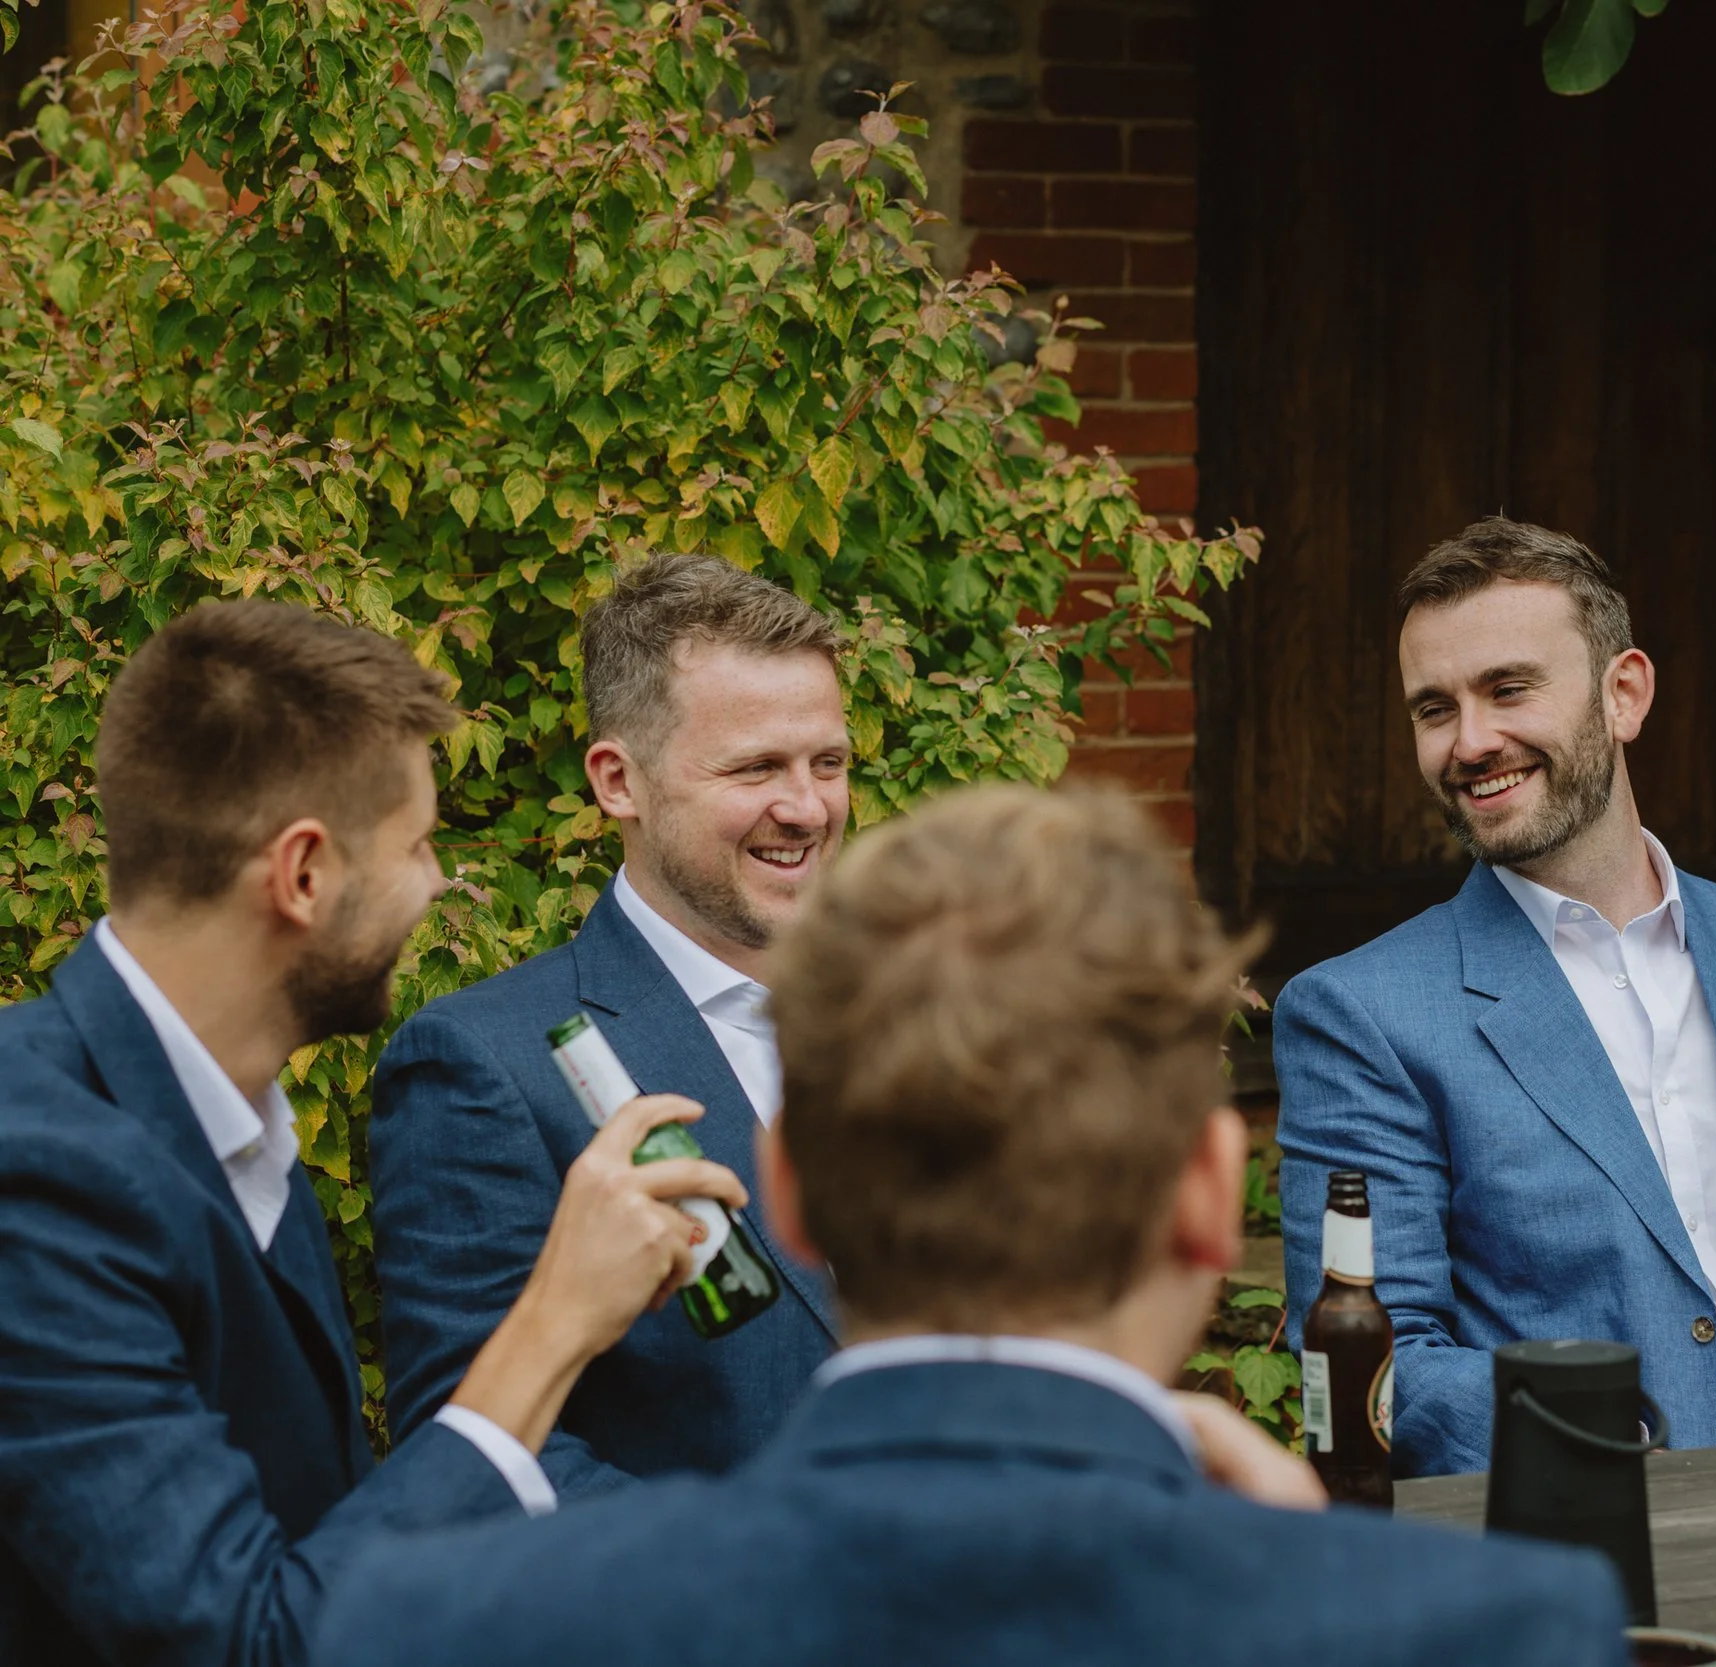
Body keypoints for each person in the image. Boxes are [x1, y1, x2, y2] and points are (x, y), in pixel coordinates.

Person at [312, 785, 1629, 1667]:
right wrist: (1320, 1572)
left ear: (787, 1190)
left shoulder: (457, 1619)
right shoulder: (1500, 1632)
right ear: (1207, 1196)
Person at [0, 601, 752, 1667]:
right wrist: (555, 1319)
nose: (438, 882)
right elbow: (240, 1640)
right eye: (417, 844)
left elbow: (320, 1539)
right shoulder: (33, 1163)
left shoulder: (238, 1129)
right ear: (304, 874)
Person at [1275, 517, 1716, 1478]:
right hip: (1584, 1508)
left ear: (1624, 694)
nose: (1470, 742)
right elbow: (1376, 1359)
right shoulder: (1361, 1014)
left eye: (1508, 689)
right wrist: (1607, 1438)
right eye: (1434, 708)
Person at [370, 554, 847, 1494]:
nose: (806, 807)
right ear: (618, 780)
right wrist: (783, 1561)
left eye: (827, 763)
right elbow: (478, 1462)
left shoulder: (906, 1014)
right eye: (756, 767)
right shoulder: (485, 1065)